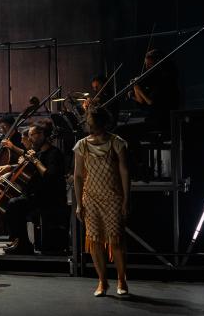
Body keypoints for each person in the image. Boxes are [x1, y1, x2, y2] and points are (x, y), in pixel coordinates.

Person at [73, 107, 130, 297]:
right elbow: (78, 176)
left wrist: (126, 200)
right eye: (90, 123)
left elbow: (124, 171)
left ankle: (121, 280)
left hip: (113, 196)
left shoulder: (116, 142)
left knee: (116, 240)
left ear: (103, 123)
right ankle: (102, 281)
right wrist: (79, 204)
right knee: (95, 240)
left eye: (94, 124)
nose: (91, 127)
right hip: (91, 197)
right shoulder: (82, 145)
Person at [2, 119, 69, 255]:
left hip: (50, 198)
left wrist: (35, 161)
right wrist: (16, 166)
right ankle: (20, 241)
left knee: (14, 204)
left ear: (42, 134)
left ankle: (23, 244)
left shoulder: (54, 153)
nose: (30, 138)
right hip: (36, 196)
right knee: (12, 202)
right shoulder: (37, 153)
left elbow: (50, 176)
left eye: (32, 135)